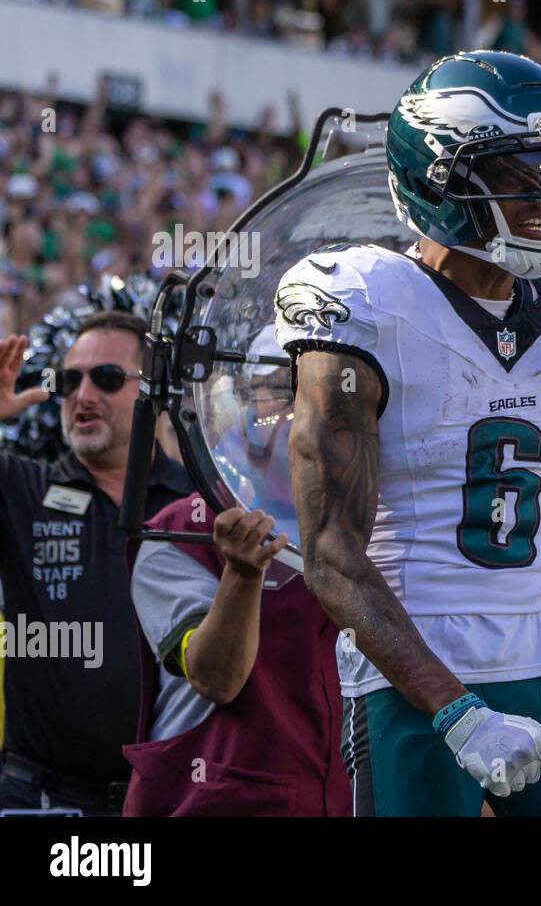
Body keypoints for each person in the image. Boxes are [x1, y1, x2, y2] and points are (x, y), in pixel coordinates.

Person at [275, 51, 541, 816]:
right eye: (519, 177)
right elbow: (331, 557)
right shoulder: (364, 300)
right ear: (439, 179)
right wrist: (455, 712)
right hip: (411, 655)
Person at [121, 350, 350, 815]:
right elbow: (216, 678)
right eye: (276, 390)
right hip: (216, 801)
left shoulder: (372, 525)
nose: (295, 408)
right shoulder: (182, 531)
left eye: (310, 391)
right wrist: (243, 575)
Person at [0, 312, 190, 814]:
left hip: (173, 798)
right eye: (69, 380)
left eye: (105, 378)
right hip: (38, 800)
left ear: (153, 391)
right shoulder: (23, 491)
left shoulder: (200, 505)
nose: (82, 395)